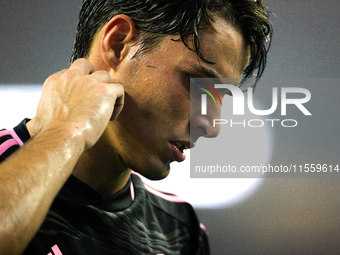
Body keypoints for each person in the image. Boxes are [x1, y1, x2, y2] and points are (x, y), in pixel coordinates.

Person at [0, 0, 272, 254]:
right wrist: (68, 131)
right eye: (198, 83)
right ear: (118, 44)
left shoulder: (181, 232)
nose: (212, 127)